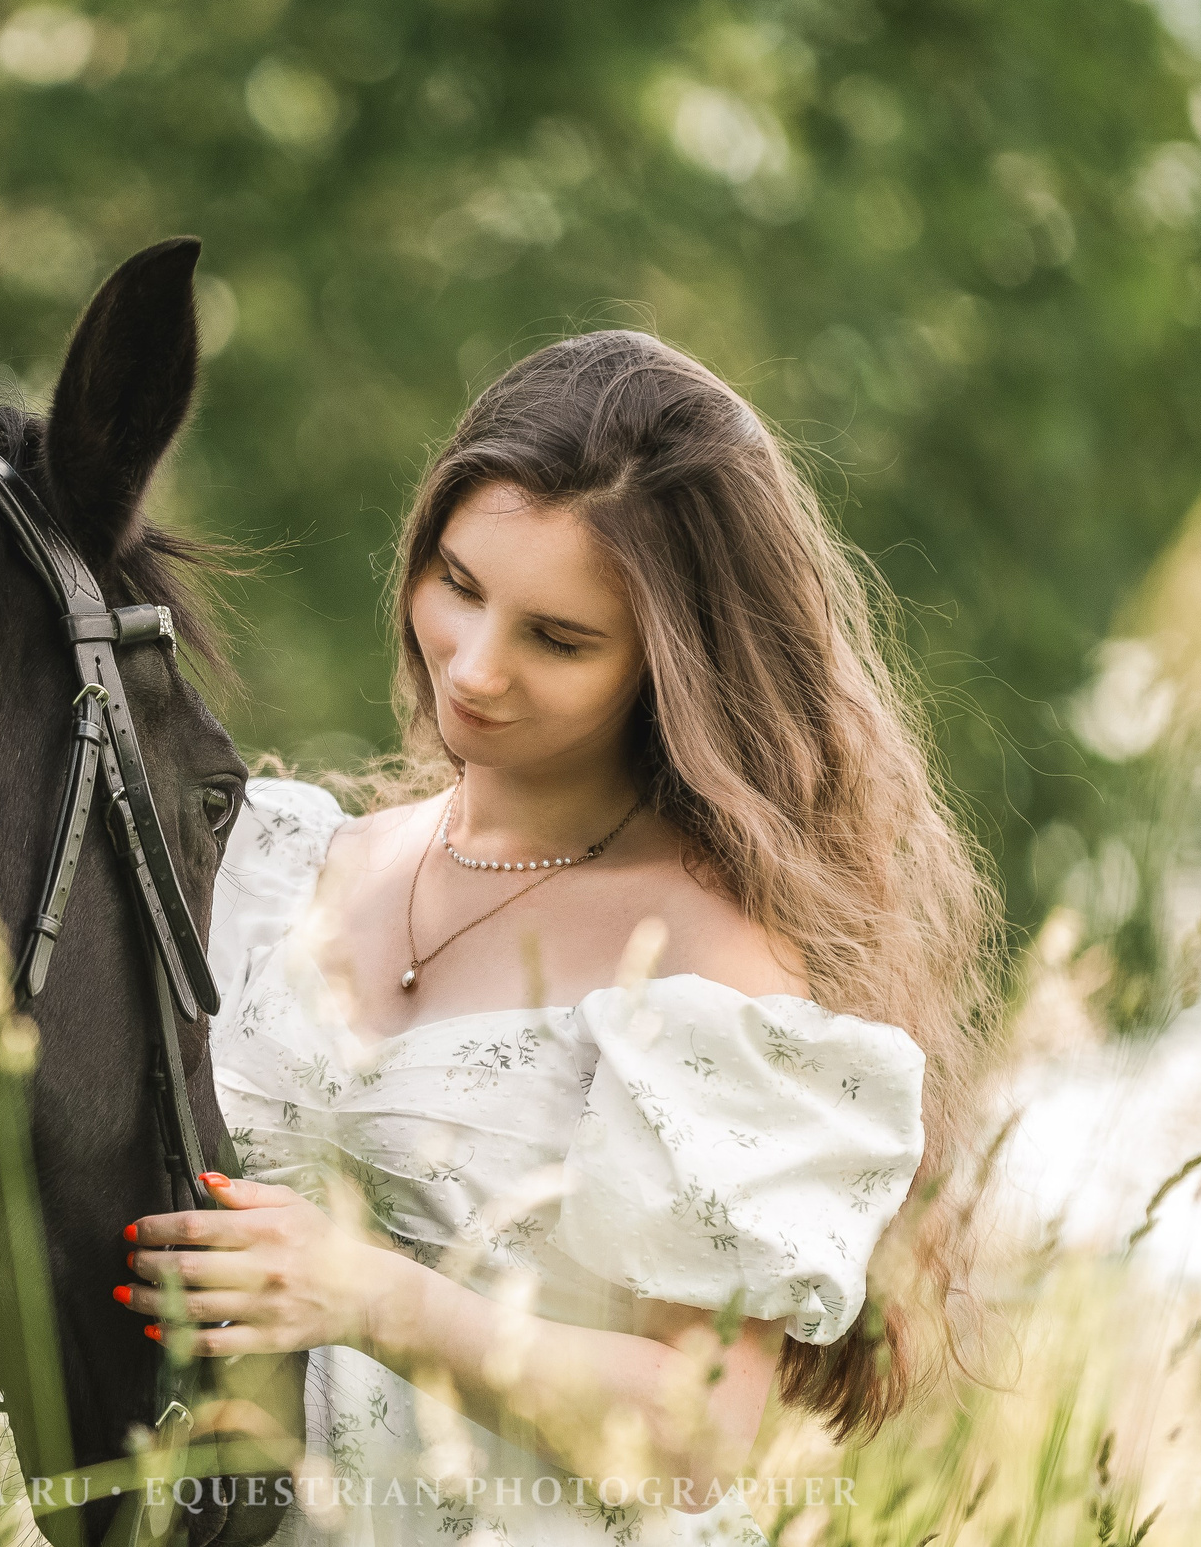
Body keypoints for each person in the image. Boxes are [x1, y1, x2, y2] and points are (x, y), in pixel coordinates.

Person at [117, 330, 1003, 1545]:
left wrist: (366, 1292)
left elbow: (696, 1435)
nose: (475, 668)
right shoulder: (277, 863)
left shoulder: (710, 967)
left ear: (671, 663)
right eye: (458, 584)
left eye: (558, 637)